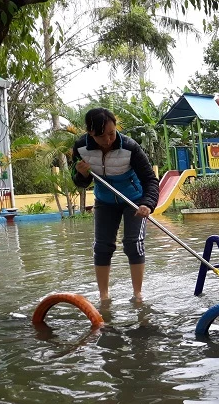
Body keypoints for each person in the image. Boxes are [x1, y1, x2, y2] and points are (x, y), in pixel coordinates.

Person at [71, 108, 159, 302]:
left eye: (112, 133)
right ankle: (104, 296)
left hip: (134, 200)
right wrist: (82, 174)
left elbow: (150, 180)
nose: (109, 139)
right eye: (102, 136)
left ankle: (137, 295)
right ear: (90, 133)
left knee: (133, 244)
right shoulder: (80, 147)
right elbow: (78, 182)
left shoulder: (130, 147)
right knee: (102, 246)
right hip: (105, 201)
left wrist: (148, 204)